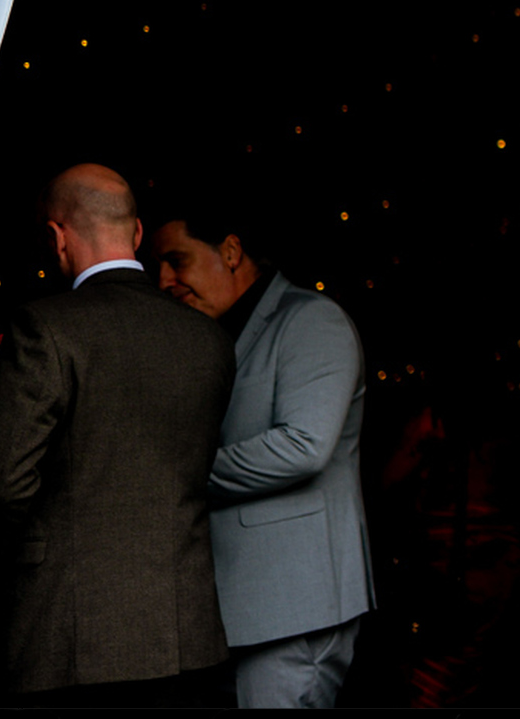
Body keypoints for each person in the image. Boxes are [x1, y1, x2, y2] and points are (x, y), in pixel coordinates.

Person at [0, 164, 236, 703]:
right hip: (192, 637)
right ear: (137, 234)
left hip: (72, 638)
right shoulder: (209, 339)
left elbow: (0, 484)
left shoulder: (45, 327)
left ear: (55, 236)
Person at [153, 205, 376, 708]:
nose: (164, 280)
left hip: (295, 610)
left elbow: (303, 447)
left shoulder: (311, 320)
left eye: (176, 261)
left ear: (230, 251)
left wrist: (175, 474)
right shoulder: (212, 333)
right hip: (233, 612)